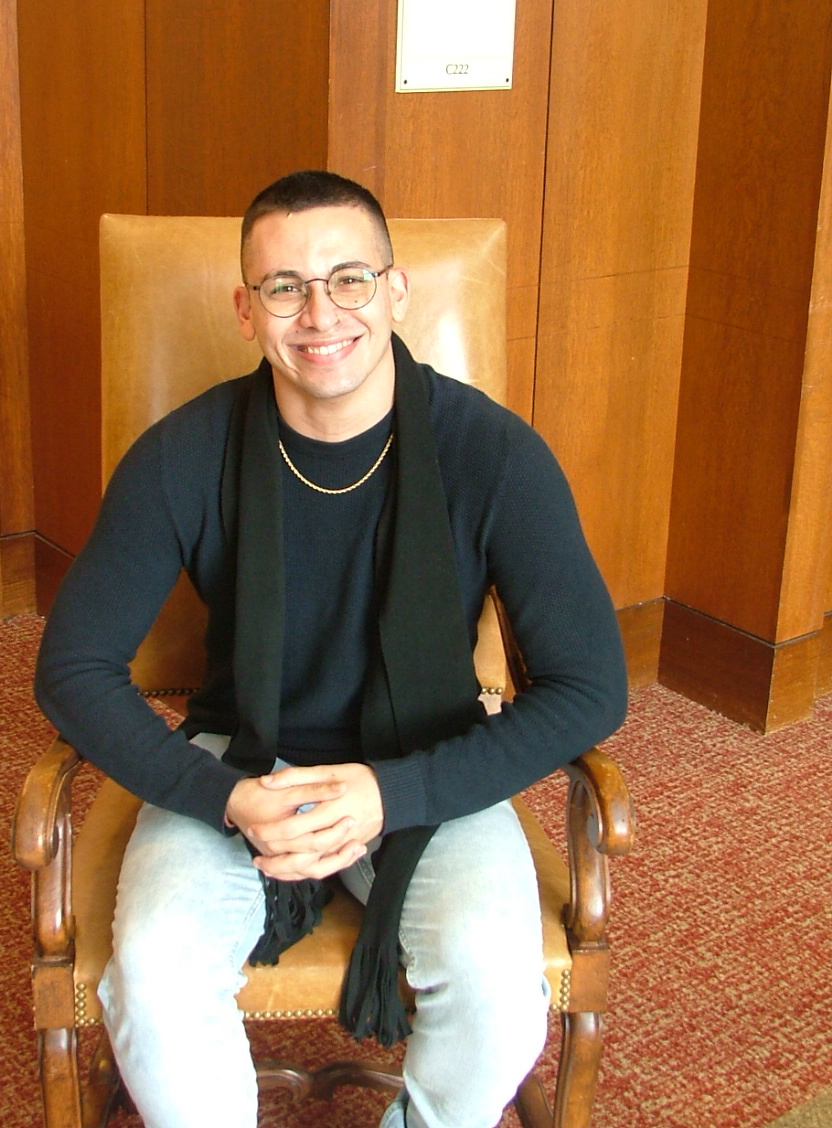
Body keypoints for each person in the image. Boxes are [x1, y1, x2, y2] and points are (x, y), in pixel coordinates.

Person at [35, 170, 628, 1128]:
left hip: (431, 761)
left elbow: (590, 687)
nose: (321, 314)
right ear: (245, 310)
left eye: (349, 279)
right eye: (284, 287)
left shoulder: (496, 455)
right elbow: (71, 669)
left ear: (395, 292)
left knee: (499, 991)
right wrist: (225, 796)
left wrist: (395, 794)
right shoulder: (183, 453)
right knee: (151, 976)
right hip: (244, 760)